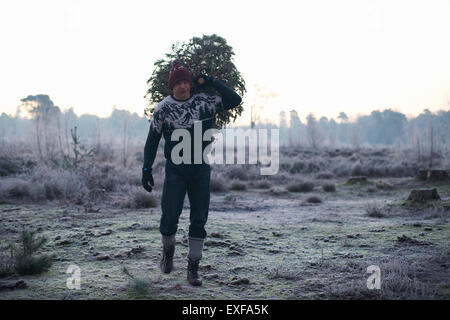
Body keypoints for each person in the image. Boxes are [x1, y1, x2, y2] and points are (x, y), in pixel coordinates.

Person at [142, 60, 241, 286]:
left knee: (199, 219)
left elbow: (235, 100)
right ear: (171, 86)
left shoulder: (205, 102)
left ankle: (193, 268)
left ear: (191, 83)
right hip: (175, 169)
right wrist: (146, 168)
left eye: (186, 81)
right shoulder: (163, 108)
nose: (183, 86)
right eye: (178, 83)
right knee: (169, 217)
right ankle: (168, 253)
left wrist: (211, 81)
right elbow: (152, 141)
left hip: (200, 168)